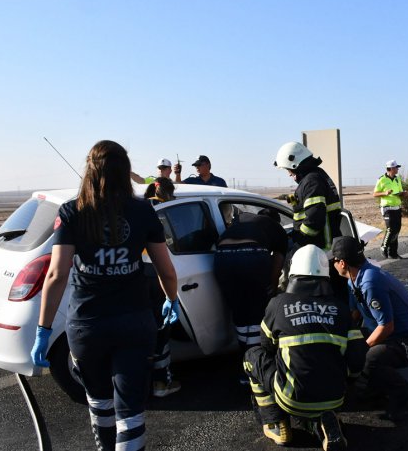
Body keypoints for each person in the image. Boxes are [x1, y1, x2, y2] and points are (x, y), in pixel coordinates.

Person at [30, 140, 179, 451]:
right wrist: (171, 299)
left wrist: (43, 332)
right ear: (125, 172)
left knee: (99, 403)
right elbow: (166, 269)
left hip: (87, 325)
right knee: (131, 412)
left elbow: (57, 275)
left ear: (90, 170)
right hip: (134, 323)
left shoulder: (72, 211)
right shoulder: (142, 210)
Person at [243, 244, 367, 450]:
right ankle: (322, 423)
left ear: (292, 273)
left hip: (292, 398)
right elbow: (357, 360)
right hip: (336, 397)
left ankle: (277, 424)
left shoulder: (277, 304)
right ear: (326, 276)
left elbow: (266, 346)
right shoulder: (341, 309)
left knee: (251, 356)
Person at [331, 236, 408, 422]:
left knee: (372, 356)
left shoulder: (370, 282)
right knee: (353, 344)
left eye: (334, 260)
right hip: (389, 336)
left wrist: (362, 348)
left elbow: (387, 326)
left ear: (342, 263)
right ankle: (373, 387)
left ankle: (405, 394)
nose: (333, 263)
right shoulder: (353, 280)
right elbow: (354, 315)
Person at [214, 207, 288, 379]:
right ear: (276, 221)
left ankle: (245, 362)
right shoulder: (278, 231)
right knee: (255, 316)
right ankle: (253, 370)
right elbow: (276, 271)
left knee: (240, 314)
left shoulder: (243, 218)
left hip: (222, 256)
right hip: (252, 256)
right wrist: (270, 296)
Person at [143, 176, 180, 397]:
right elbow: (169, 243)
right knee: (160, 332)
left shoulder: (137, 207)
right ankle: (161, 383)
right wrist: (172, 298)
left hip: (133, 277)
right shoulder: (162, 209)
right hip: (154, 277)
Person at [273, 141, 342, 252]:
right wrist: (297, 200)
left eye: (288, 169)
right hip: (317, 244)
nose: (289, 174)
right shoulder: (314, 177)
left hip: (319, 247)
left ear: (295, 164)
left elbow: (314, 220)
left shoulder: (311, 182)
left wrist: (299, 241)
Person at [373, 160, 408, 259]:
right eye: (396, 167)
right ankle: (383, 247)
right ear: (391, 168)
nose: (398, 169)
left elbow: (400, 192)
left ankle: (393, 253)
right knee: (391, 229)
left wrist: (404, 193)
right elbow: (375, 194)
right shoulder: (381, 179)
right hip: (387, 208)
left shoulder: (397, 179)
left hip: (397, 207)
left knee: (397, 230)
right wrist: (385, 193)